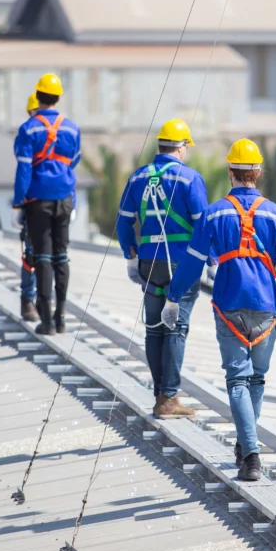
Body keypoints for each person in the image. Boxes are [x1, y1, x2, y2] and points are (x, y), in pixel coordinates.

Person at [163, 138, 276, 481]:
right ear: (257, 172)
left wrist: (173, 298)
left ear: (230, 171)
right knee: (255, 378)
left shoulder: (214, 213)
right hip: (265, 307)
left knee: (238, 380)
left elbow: (192, 262)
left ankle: (250, 453)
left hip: (228, 304)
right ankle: (248, 449)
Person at [116, 119, 208, 419]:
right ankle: (169, 398)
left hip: (149, 263)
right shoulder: (190, 179)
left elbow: (124, 221)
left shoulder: (137, 177)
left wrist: (130, 255)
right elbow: (203, 226)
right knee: (176, 329)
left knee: (154, 329)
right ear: (181, 148)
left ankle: (160, 395)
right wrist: (211, 260)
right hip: (181, 264)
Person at [13, 74, 81, 335]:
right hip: (64, 198)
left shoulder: (28, 129)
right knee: (61, 256)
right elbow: (73, 161)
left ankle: (47, 322)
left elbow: (24, 169)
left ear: (38, 95)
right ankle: (61, 318)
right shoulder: (71, 129)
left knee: (42, 257)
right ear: (58, 97)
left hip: (37, 201)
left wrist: (18, 203)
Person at [18, 93, 41, 322]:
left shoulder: (54, 132)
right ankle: (27, 299)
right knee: (31, 253)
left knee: (52, 255)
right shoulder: (27, 134)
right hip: (33, 202)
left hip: (51, 202)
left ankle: (45, 300)